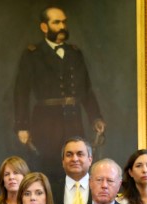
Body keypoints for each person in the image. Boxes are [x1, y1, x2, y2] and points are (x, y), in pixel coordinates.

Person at [14, 6, 105, 178]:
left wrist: (95, 117)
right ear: (44, 27)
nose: (62, 26)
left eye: (64, 22)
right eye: (56, 22)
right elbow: (21, 93)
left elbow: (86, 90)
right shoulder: (32, 54)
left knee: (77, 168)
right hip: (45, 121)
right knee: (48, 169)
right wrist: (22, 126)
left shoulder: (75, 53)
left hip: (74, 121)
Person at [49, 136, 94, 204]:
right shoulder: (50, 190)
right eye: (69, 155)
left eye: (80, 154)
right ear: (63, 161)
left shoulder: (100, 188)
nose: (74, 159)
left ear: (90, 160)